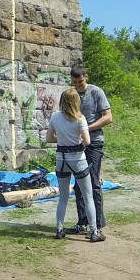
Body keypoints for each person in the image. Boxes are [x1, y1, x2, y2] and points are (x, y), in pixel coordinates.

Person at [46, 87, 104, 242]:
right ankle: (94, 231)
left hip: (61, 159)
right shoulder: (80, 118)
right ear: (76, 101)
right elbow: (87, 141)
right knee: (88, 196)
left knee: (63, 198)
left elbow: (49, 138)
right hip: (78, 160)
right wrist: (76, 140)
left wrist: (63, 139)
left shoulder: (55, 118)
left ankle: (59, 228)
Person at [69, 65, 111, 234]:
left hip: (94, 143)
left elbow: (108, 117)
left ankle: (98, 224)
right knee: (79, 184)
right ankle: (83, 221)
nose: (78, 85)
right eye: (75, 82)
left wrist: (87, 129)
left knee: (93, 182)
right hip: (76, 143)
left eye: (80, 81)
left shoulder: (96, 92)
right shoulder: (71, 95)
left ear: (86, 77)